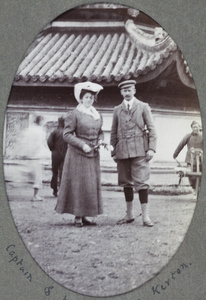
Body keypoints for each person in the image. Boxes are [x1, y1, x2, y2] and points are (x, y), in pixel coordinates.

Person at [55, 82, 104, 227]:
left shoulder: (97, 115)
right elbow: (67, 134)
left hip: (93, 153)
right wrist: (82, 144)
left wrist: (101, 140)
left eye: (91, 97)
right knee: (79, 184)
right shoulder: (74, 114)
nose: (89, 100)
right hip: (77, 154)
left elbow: (100, 131)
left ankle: (86, 215)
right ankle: (77, 216)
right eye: (86, 97)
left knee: (90, 184)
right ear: (81, 99)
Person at [110, 80, 157, 227]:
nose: (127, 93)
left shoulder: (143, 107)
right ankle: (129, 214)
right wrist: (113, 151)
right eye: (124, 91)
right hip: (122, 151)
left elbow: (152, 129)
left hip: (140, 151)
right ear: (121, 93)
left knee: (142, 183)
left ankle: (146, 216)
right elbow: (113, 131)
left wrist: (151, 148)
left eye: (129, 90)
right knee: (126, 183)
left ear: (134, 90)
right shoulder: (117, 109)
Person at [19, 115, 47, 201]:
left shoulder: (29, 130)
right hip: (37, 156)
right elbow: (40, 144)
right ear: (40, 121)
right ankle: (35, 196)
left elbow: (24, 142)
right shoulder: (41, 131)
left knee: (29, 173)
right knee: (38, 177)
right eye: (43, 121)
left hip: (29, 156)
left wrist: (25, 153)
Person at [173, 120, 203, 191]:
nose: (195, 128)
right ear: (191, 128)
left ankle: (200, 190)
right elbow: (181, 145)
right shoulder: (188, 136)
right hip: (190, 160)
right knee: (191, 175)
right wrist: (175, 154)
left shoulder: (202, 136)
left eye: (196, 127)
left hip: (201, 160)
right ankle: (194, 189)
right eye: (193, 127)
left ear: (199, 127)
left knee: (201, 175)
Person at [47, 117, 67, 197]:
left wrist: (52, 149)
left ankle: (55, 190)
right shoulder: (67, 133)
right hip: (65, 154)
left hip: (55, 154)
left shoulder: (54, 132)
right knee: (63, 172)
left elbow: (49, 142)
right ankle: (62, 190)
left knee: (55, 172)